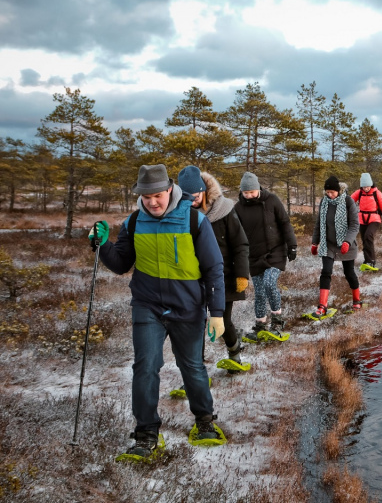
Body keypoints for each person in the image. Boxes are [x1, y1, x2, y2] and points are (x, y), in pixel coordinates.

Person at [89, 164, 226, 461]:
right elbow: (122, 263)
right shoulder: (134, 222)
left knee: (192, 366)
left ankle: (204, 421)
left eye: (158, 195)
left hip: (188, 307)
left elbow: (214, 269)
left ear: (170, 190)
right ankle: (146, 433)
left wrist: (216, 312)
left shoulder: (194, 220)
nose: (153, 201)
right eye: (146, 195)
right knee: (145, 366)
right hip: (147, 304)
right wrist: (101, 245)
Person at [178, 165, 250, 371]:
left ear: (204, 190)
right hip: (192, 278)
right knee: (195, 325)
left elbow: (241, 244)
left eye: (196, 195)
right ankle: (195, 370)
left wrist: (242, 274)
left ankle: (235, 356)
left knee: (223, 321)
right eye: (187, 196)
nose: (193, 200)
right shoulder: (182, 214)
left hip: (222, 277)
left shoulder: (225, 209)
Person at [234, 172, 297, 342]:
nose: (249, 196)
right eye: (246, 193)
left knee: (269, 283)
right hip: (253, 255)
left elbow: (285, 222)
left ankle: (277, 321)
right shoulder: (238, 208)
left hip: (275, 251)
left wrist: (292, 245)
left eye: (252, 192)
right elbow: (234, 233)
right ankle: (260, 325)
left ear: (258, 188)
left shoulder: (272, 200)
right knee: (259, 292)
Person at [310, 175, 361, 318]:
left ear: (338, 190)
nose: (330, 195)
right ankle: (322, 306)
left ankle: (357, 300)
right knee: (326, 271)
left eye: (332, 192)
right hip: (329, 244)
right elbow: (319, 224)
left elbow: (354, 225)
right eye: (327, 193)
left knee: (349, 273)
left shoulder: (348, 201)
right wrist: (315, 242)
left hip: (346, 244)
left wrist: (347, 242)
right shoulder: (324, 202)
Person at [351, 172, 382, 271]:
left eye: (367, 186)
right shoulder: (359, 192)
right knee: (365, 240)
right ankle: (367, 262)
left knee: (368, 236)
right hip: (362, 219)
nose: (366, 188)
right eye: (364, 187)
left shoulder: (376, 193)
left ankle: (371, 261)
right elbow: (349, 201)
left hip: (374, 218)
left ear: (371, 184)